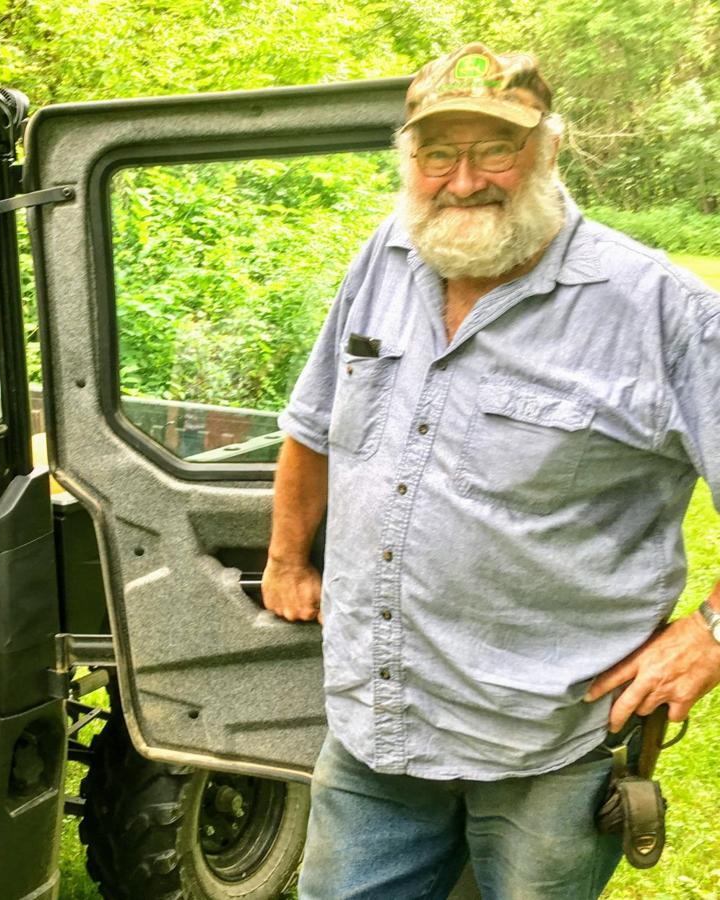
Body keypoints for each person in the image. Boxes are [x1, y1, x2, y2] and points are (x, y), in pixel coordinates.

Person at [264, 43, 720, 899]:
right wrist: (287, 559)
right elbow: (314, 423)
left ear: (549, 148)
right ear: (409, 157)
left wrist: (711, 635)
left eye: (496, 149)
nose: (464, 180)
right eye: (438, 153)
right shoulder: (385, 256)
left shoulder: (662, 310)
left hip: (549, 743)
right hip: (376, 724)